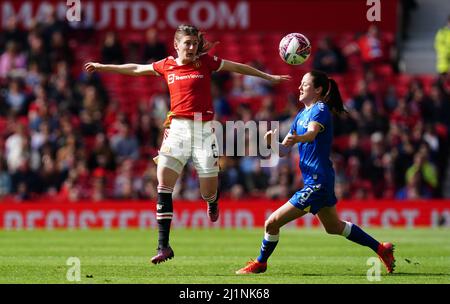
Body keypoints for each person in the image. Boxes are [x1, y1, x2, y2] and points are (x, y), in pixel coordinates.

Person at [85, 24, 290, 264]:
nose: (192, 48)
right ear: (176, 45)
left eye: (194, 43)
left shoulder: (206, 62)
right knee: (163, 181)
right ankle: (164, 246)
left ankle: (212, 201)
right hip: (177, 129)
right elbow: (136, 69)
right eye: (187, 43)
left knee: (207, 190)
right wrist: (102, 67)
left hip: (204, 129)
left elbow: (236, 66)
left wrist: (267, 76)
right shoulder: (166, 65)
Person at [235, 70, 395, 275]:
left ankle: (260, 263)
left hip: (317, 182)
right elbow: (284, 151)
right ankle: (382, 249)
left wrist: (299, 139)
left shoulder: (320, 109)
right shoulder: (300, 115)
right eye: (300, 83)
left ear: (318, 89)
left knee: (271, 222)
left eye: (305, 84)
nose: (299, 87)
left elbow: (311, 134)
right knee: (334, 227)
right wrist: (271, 143)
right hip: (319, 179)